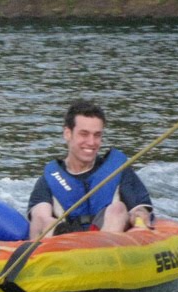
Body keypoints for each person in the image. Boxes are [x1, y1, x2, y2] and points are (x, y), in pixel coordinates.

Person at [27, 100, 153, 239]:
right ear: (67, 133)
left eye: (97, 135)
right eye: (84, 134)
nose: (91, 142)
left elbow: (139, 209)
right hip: (64, 240)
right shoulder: (49, 179)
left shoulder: (119, 170)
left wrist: (139, 216)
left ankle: (102, 248)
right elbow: (40, 218)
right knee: (44, 220)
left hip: (109, 237)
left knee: (118, 209)